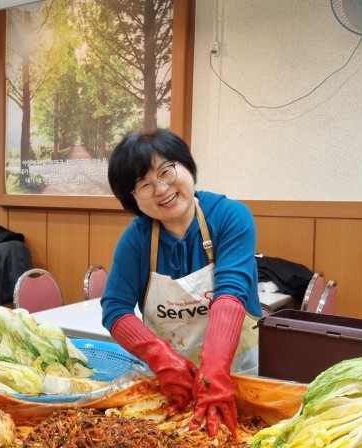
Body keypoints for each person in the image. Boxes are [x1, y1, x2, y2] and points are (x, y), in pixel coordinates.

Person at [101, 128, 261, 438]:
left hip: (237, 377)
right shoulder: (136, 240)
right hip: (174, 386)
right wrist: (160, 358)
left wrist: (214, 370)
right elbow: (115, 309)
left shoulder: (230, 217)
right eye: (143, 185)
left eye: (166, 171)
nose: (160, 189)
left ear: (186, 166)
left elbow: (231, 292)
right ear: (132, 199)